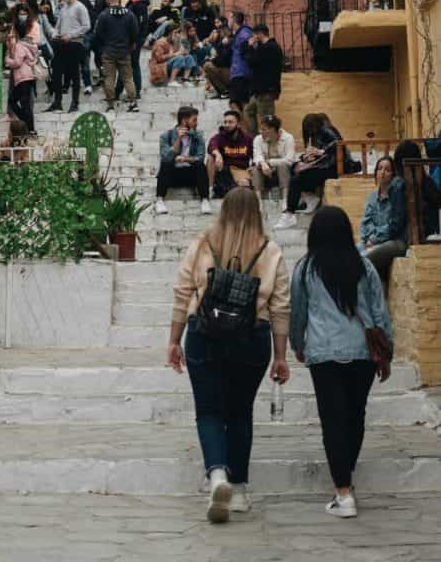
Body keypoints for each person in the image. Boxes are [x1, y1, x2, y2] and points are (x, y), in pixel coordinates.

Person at [168, 187, 290, 523]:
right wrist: (281, 356)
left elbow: (182, 293)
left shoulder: (203, 243)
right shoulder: (270, 250)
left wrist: (174, 340)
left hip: (204, 334)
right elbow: (280, 307)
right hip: (252, 338)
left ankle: (217, 475)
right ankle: (238, 490)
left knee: (208, 411)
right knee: (240, 412)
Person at [290, 206, 392, 519]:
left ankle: (343, 492)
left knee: (332, 420)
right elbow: (379, 310)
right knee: (354, 416)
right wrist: (387, 349)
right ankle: (344, 471)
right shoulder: (364, 266)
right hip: (362, 352)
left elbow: (298, 311)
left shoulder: (306, 268)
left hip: (324, 354)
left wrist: (296, 344)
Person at [275, 113, 358, 230]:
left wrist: (321, 152)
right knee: (294, 167)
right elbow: (319, 154)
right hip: (326, 166)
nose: (309, 131)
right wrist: (306, 158)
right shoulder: (316, 134)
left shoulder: (326, 130)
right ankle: (307, 198)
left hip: (335, 167)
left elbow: (338, 145)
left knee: (297, 179)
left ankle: (290, 212)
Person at [155, 106, 211, 215]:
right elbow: (166, 157)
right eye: (194, 120)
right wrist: (179, 139)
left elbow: (200, 157)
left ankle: (205, 200)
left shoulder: (198, 135)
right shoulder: (166, 136)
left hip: (191, 175)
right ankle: (160, 201)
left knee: (201, 166)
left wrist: (185, 158)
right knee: (165, 163)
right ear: (184, 120)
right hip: (172, 175)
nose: (197, 123)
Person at [358, 156, 407, 278]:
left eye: (387, 169)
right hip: (370, 241)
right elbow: (365, 223)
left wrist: (375, 238)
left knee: (362, 260)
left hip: (388, 241)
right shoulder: (372, 196)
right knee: (349, 252)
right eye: (379, 169)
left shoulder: (396, 196)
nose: (382, 172)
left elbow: (392, 225)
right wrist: (370, 237)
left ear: (393, 174)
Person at [46, 0, 90, 113]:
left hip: (74, 44)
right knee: (57, 73)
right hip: (60, 43)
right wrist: (54, 34)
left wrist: (71, 35)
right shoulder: (64, 7)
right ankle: (57, 102)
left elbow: (86, 26)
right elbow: (58, 24)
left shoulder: (80, 7)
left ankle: (75, 103)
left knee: (74, 74)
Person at [93, 0, 139, 112]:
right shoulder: (129, 14)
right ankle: (133, 103)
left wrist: (103, 47)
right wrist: (131, 44)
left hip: (109, 51)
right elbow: (135, 32)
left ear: (108, 1)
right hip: (124, 50)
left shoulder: (103, 15)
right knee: (128, 78)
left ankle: (110, 105)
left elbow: (98, 34)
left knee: (109, 78)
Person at [389, 139, 441, 241]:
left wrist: (380, 238)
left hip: (405, 239)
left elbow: (397, 222)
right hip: (432, 236)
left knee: (365, 253)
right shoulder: (429, 182)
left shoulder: (398, 184)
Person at [243, 24, 283, 136]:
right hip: (260, 90)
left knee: (267, 121)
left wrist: (251, 47)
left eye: (254, 35)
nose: (253, 37)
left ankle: (269, 144)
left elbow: (252, 62)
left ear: (260, 34)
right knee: (248, 111)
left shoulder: (269, 47)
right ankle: (256, 139)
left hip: (265, 90)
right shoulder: (265, 47)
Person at [207, 109, 254, 198]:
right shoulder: (220, 136)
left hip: (240, 170)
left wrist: (250, 170)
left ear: (238, 124)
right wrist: (218, 154)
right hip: (224, 170)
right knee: (210, 158)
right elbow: (211, 145)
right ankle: (210, 189)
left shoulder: (248, 138)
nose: (227, 125)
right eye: (225, 122)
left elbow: (255, 156)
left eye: (230, 122)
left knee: (244, 187)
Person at [251, 115, 296, 205]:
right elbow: (257, 156)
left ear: (273, 130)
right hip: (266, 172)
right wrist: (263, 164)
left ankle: (285, 201)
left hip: (284, 172)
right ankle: (258, 202)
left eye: (264, 129)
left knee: (283, 166)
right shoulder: (258, 139)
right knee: (256, 169)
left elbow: (289, 160)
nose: (261, 132)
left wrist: (269, 162)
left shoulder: (288, 138)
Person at [5, 17, 39, 135]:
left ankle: (29, 127)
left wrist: (7, 60)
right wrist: (10, 48)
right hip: (27, 77)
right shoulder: (27, 43)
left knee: (15, 102)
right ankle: (30, 128)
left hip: (23, 78)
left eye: (14, 33)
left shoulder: (20, 45)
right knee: (24, 104)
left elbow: (17, 63)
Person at [120, 0, 150, 99]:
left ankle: (137, 90)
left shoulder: (139, 4)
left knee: (134, 63)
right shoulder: (131, 3)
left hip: (135, 39)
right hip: (131, 39)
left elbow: (142, 23)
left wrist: (136, 40)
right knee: (131, 63)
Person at [77, 0, 106, 95]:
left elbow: (105, 11)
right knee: (85, 60)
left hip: (99, 33)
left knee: (101, 57)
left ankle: (102, 78)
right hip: (86, 33)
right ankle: (87, 84)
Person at [229, 12, 254, 108]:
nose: (228, 21)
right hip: (238, 72)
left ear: (234, 20)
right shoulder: (239, 33)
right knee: (236, 103)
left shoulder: (244, 34)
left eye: (229, 18)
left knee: (242, 104)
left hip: (242, 73)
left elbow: (248, 53)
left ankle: (243, 123)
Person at [203, 26, 232, 98]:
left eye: (219, 32)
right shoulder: (221, 41)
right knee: (207, 65)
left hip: (230, 71)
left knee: (207, 66)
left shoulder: (228, 41)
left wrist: (211, 60)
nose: (218, 33)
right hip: (227, 69)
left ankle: (224, 91)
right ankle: (223, 91)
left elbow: (223, 60)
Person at [148, 22, 178, 86]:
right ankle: (172, 81)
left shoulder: (173, 41)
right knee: (179, 58)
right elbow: (159, 58)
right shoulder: (160, 42)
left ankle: (185, 78)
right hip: (160, 66)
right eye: (175, 32)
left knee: (188, 57)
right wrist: (174, 55)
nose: (177, 34)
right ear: (170, 33)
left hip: (168, 64)